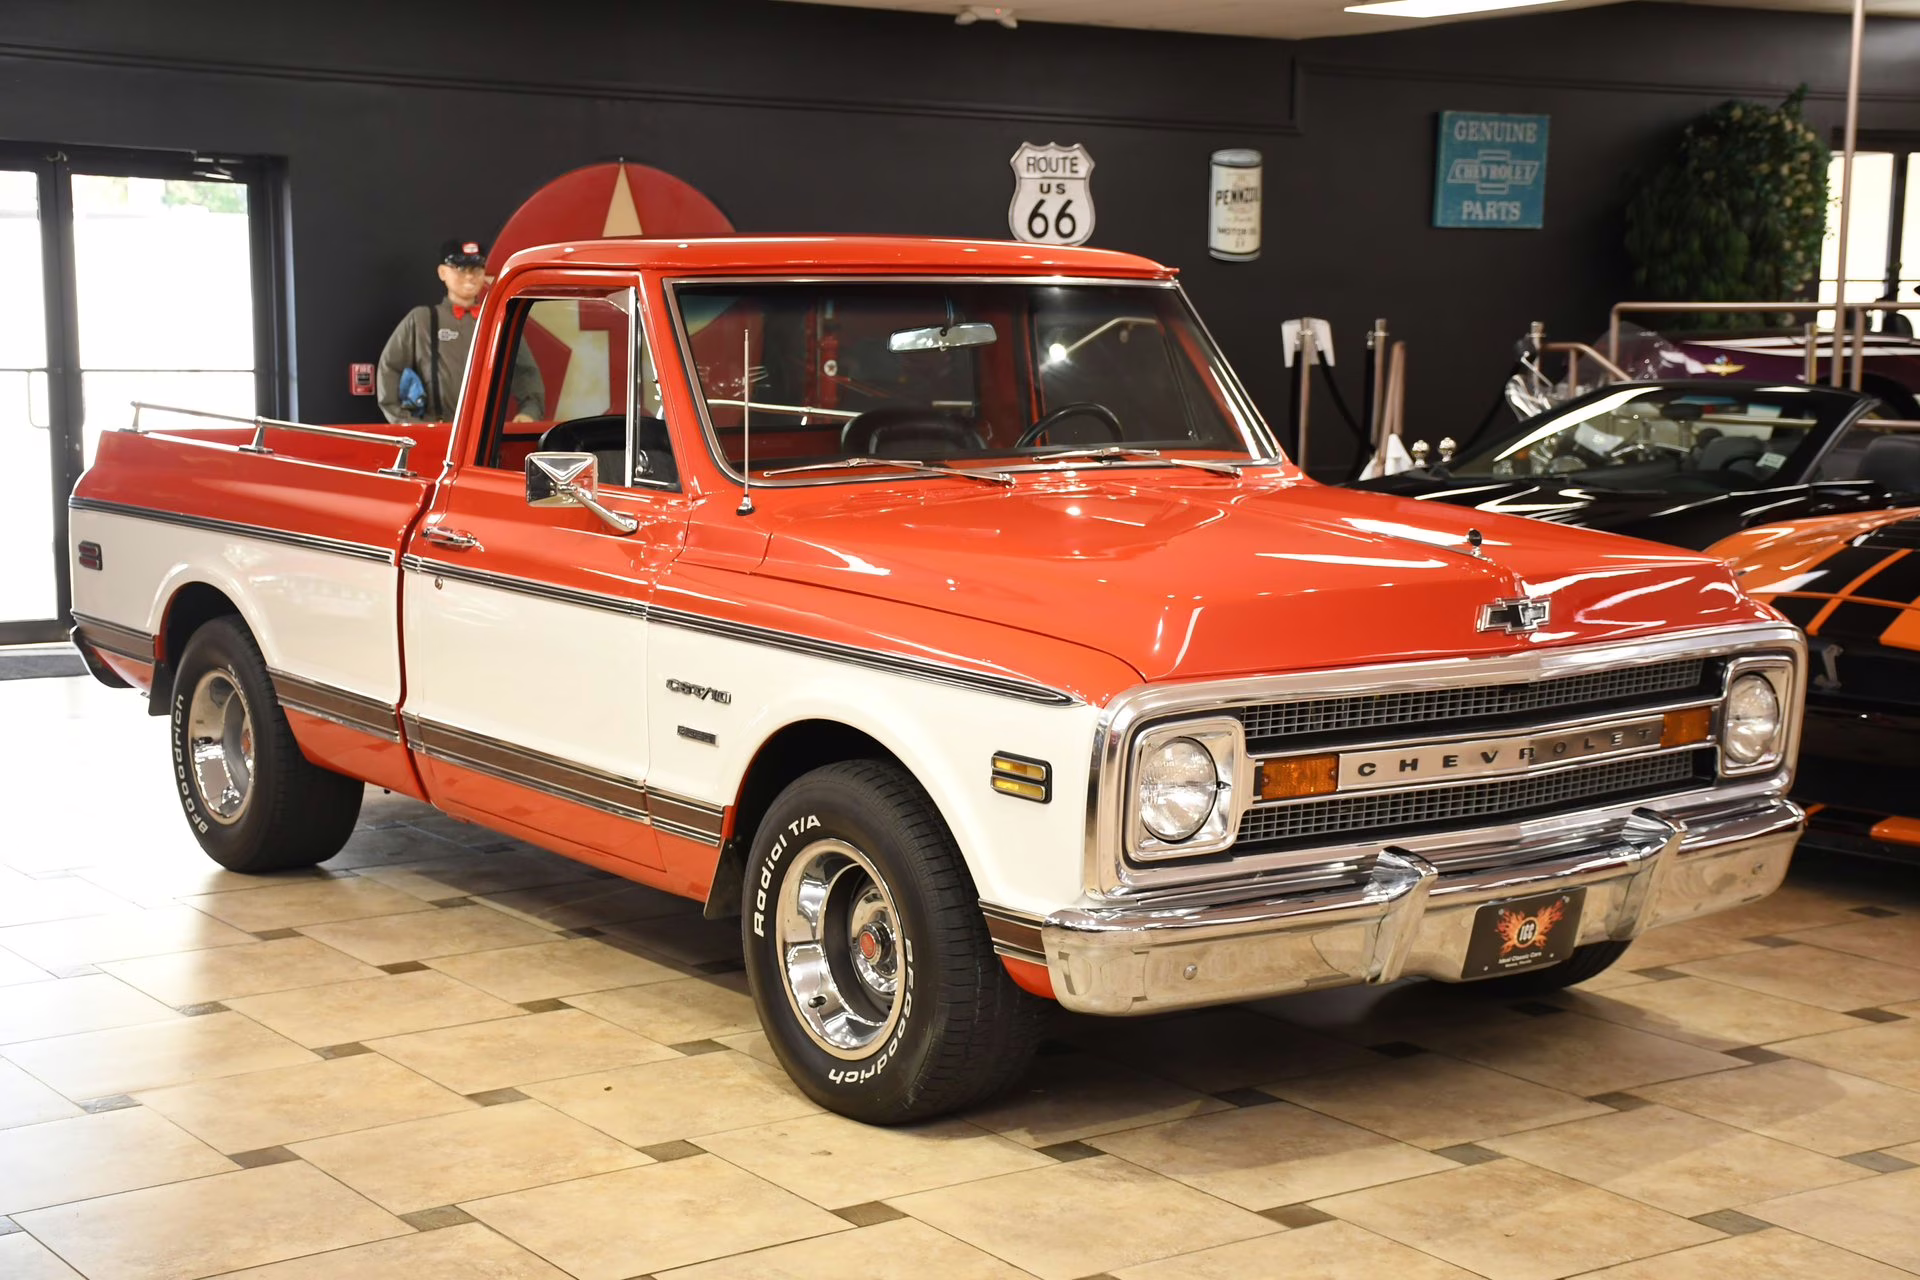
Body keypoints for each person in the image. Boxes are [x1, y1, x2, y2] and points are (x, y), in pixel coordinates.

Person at [376, 238, 546, 423]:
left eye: (476, 269)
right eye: (460, 269)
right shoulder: (422, 320)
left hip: (485, 433)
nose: (470, 276)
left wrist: (530, 412)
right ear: (442, 272)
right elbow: (389, 367)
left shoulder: (499, 322)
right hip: (435, 430)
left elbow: (526, 372)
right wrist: (404, 421)